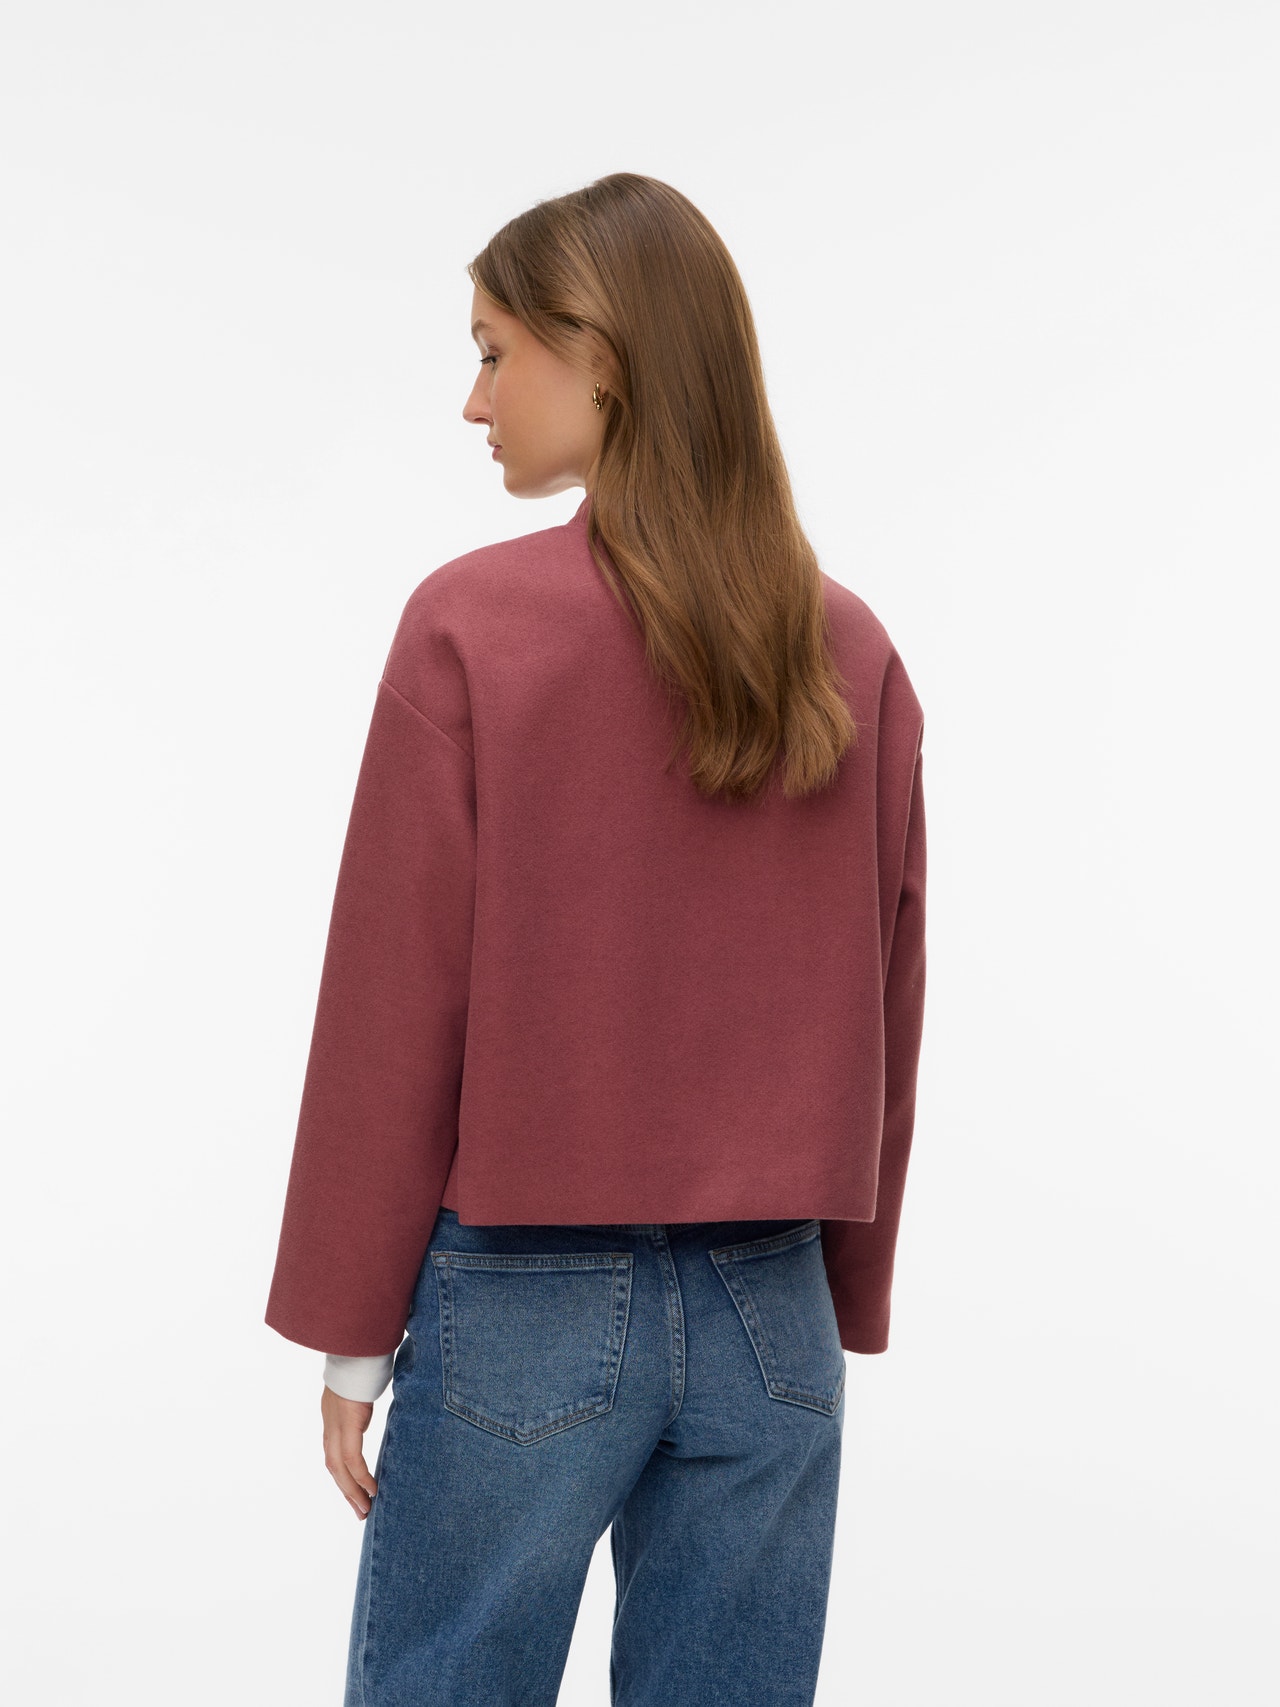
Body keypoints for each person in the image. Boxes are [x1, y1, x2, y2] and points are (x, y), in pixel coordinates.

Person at [264, 171, 927, 1707]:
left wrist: (352, 1333)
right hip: (775, 1308)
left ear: (603, 359)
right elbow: (889, 997)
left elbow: (394, 1002)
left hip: (524, 1299)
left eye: (495, 351)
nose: (473, 399)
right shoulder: (850, 648)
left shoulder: (474, 629)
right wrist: (851, 1285)